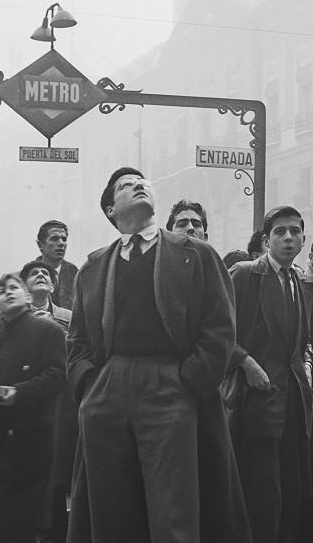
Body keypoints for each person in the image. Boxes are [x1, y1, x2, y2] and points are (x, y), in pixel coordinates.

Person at [67, 167, 251, 543]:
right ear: (110, 210)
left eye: (142, 182)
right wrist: (89, 385)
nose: (138, 184)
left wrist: (191, 381)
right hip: (108, 387)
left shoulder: (195, 253)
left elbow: (220, 325)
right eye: (125, 185)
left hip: (171, 383)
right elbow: (77, 340)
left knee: (173, 507)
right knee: (111, 507)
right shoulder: (93, 267)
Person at [229, 206, 313, 543]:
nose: (289, 238)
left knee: (294, 492)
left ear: (303, 239)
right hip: (259, 404)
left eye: (295, 231)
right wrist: (245, 362)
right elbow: (217, 330)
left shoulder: (297, 281)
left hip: (295, 406)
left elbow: (302, 342)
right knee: (263, 495)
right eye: (280, 232)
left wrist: (307, 365)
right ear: (266, 240)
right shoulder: (246, 274)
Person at [0, 272, 66, 543]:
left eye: (14, 287)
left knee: (20, 519)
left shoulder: (48, 330)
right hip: (0, 435)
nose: (8, 292)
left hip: (31, 435)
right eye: (2, 291)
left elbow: (58, 376)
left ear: (27, 296)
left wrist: (18, 393)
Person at [20, 260, 77, 543]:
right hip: (27, 397)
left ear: (53, 286)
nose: (41, 275)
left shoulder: (68, 317)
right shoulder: (16, 317)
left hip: (61, 402)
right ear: (24, 285)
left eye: (46, 273)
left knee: (57, 466)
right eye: (34, 273)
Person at [37, 220, 78, 308]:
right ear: (40, 245)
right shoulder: (28, 275)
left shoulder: (76, 274)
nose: (61, 243)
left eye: (64, 239)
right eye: (54, 239)